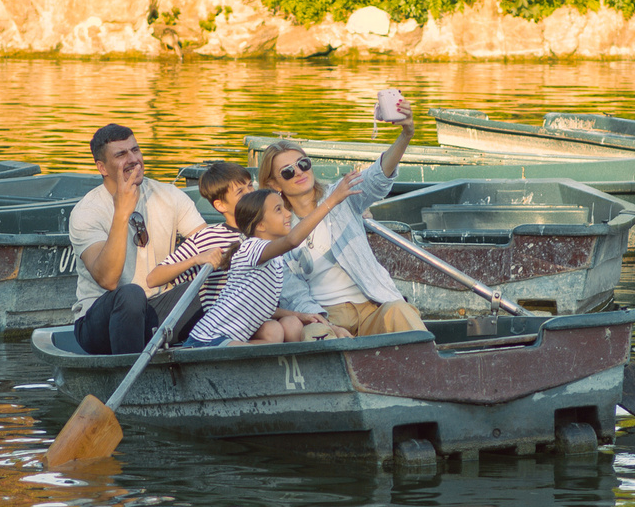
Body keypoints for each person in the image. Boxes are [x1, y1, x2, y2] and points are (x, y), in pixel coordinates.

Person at [256, 92, 427, 337]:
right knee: (315, 334)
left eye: (303, 163)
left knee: (400, 311)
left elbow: (377, 178)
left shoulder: (340, 193)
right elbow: (293, 293)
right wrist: (329, 325)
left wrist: (406, 134)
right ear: (274, 184)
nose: (299, 173)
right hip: (326, 314)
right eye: (287, 172)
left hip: (371, 307)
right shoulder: (279, 228)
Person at [68, 122, 222, 354]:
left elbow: (207, 242)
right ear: (102, 167)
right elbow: (108, 280)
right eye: (121, 154)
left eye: (135, 150)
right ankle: (131, 380)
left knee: (219, 280)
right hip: (102, 322)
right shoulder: (87, 212)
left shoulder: (169, 195)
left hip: (157, 311)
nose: (133, 159)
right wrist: (121, 213)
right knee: (131, 294)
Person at [191, 175, 363, 346]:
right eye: (278, 210)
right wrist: (331, 201)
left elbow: (262, 306)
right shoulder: (251, 248)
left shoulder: (275, 260)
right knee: (256, 355)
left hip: (233, 338)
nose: (288, 214)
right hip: (209, 338)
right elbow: (292, 241)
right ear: (260, 225)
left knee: (281, 335)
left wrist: (299, 315)